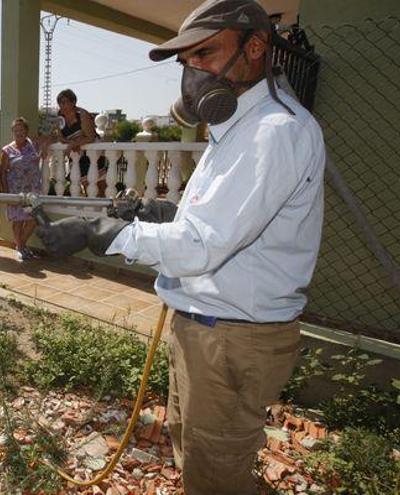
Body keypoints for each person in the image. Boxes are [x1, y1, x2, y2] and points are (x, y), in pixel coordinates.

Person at [34, 1, 326, 494]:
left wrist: (93, 232)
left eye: (206, 54)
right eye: (187, 60)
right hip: (207, 328)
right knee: (193, 449)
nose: (193, 72)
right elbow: (220, 224)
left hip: (233, 338)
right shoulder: (237, 130)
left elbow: (200, 247)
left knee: (215, 473)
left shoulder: (274, 132)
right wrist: (163, 214)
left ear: (255, 49)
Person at [0, 117, 42, 261]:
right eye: (16, 130)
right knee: (18, 221)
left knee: (33, 219)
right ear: (13, 131)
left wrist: (47, 145)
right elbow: (2, 172)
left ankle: (20, 246)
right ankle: (21, 248)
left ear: (26, 131)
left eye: (22, 129)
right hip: (15, 191)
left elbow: (48, 139)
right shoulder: (7, 150)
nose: (19, 132)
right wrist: (5, 193)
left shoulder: (32, 145)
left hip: (32, 190)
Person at [55, 89, 99, 193]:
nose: (62, 106)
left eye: (65, 102)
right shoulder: (60, 117)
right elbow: (60, 137)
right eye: (60, 103)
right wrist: (72, 143)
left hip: (92, 154)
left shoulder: (82, 115)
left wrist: (73, 143)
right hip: (77, 154)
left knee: (98, 185)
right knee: (84, 184)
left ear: (73, 102)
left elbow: (90, 137)